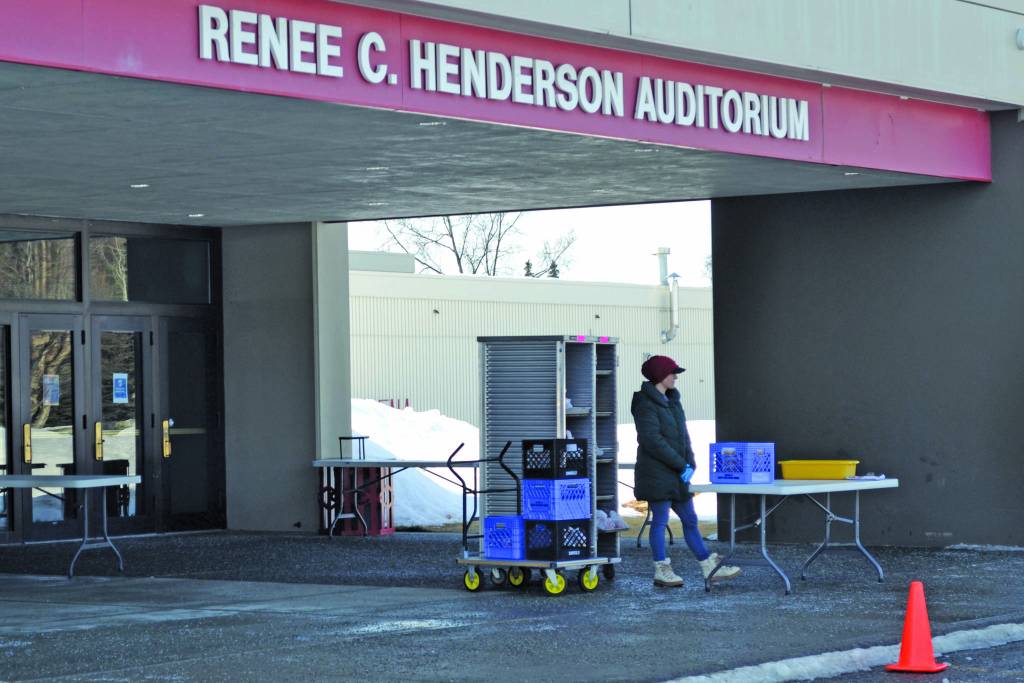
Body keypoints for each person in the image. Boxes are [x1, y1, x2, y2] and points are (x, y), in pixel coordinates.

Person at [632, 355, 741, 588]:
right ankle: (662, 569)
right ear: (660, 375)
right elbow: (652, 441)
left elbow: (683, 436)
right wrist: (681, 464)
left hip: (676, 473)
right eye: (672, 372)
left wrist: (690, 462)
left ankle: (708, 566)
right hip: (656, 474)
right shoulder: (645, 404)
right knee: (660, 520)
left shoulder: (672, 401)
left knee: (690, 519)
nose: (676, 377)